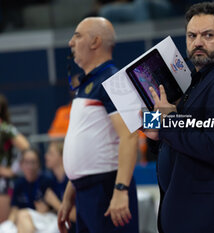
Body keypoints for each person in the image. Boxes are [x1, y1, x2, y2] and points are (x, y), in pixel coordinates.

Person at [145, 2, 214, 232]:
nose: (198, 42)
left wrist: (166, 122)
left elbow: (211, 144)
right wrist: (152, 124)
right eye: (192, 35)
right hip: (190, 214)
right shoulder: (193, 82)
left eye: (208, 35)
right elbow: (175, 131)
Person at [58, 17, 139, 233]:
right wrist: (69, 194)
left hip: (106, 190)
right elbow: (86, 148)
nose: (70, 43)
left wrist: (121, 189)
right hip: (85, 192)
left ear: (95, 42)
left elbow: (130, 136)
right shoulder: (87, 85)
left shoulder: (115, 80)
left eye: (77, 36)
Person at [11, 148, 58, 233]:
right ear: (21, 165)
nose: (30, 166)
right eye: (27, 162)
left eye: (33, 162)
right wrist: (11, 221)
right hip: (24, 220)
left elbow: (57, 208)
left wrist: (47, 209)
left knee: (23, 215)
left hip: (44, 217)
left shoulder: (47, 181)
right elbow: (14, 208)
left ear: (39, 164)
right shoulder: (18, 184)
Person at [0, 94, 30, 228]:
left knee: (3, 226)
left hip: (2, 184)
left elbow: (26, 147)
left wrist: (12, 170)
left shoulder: (5, 128)